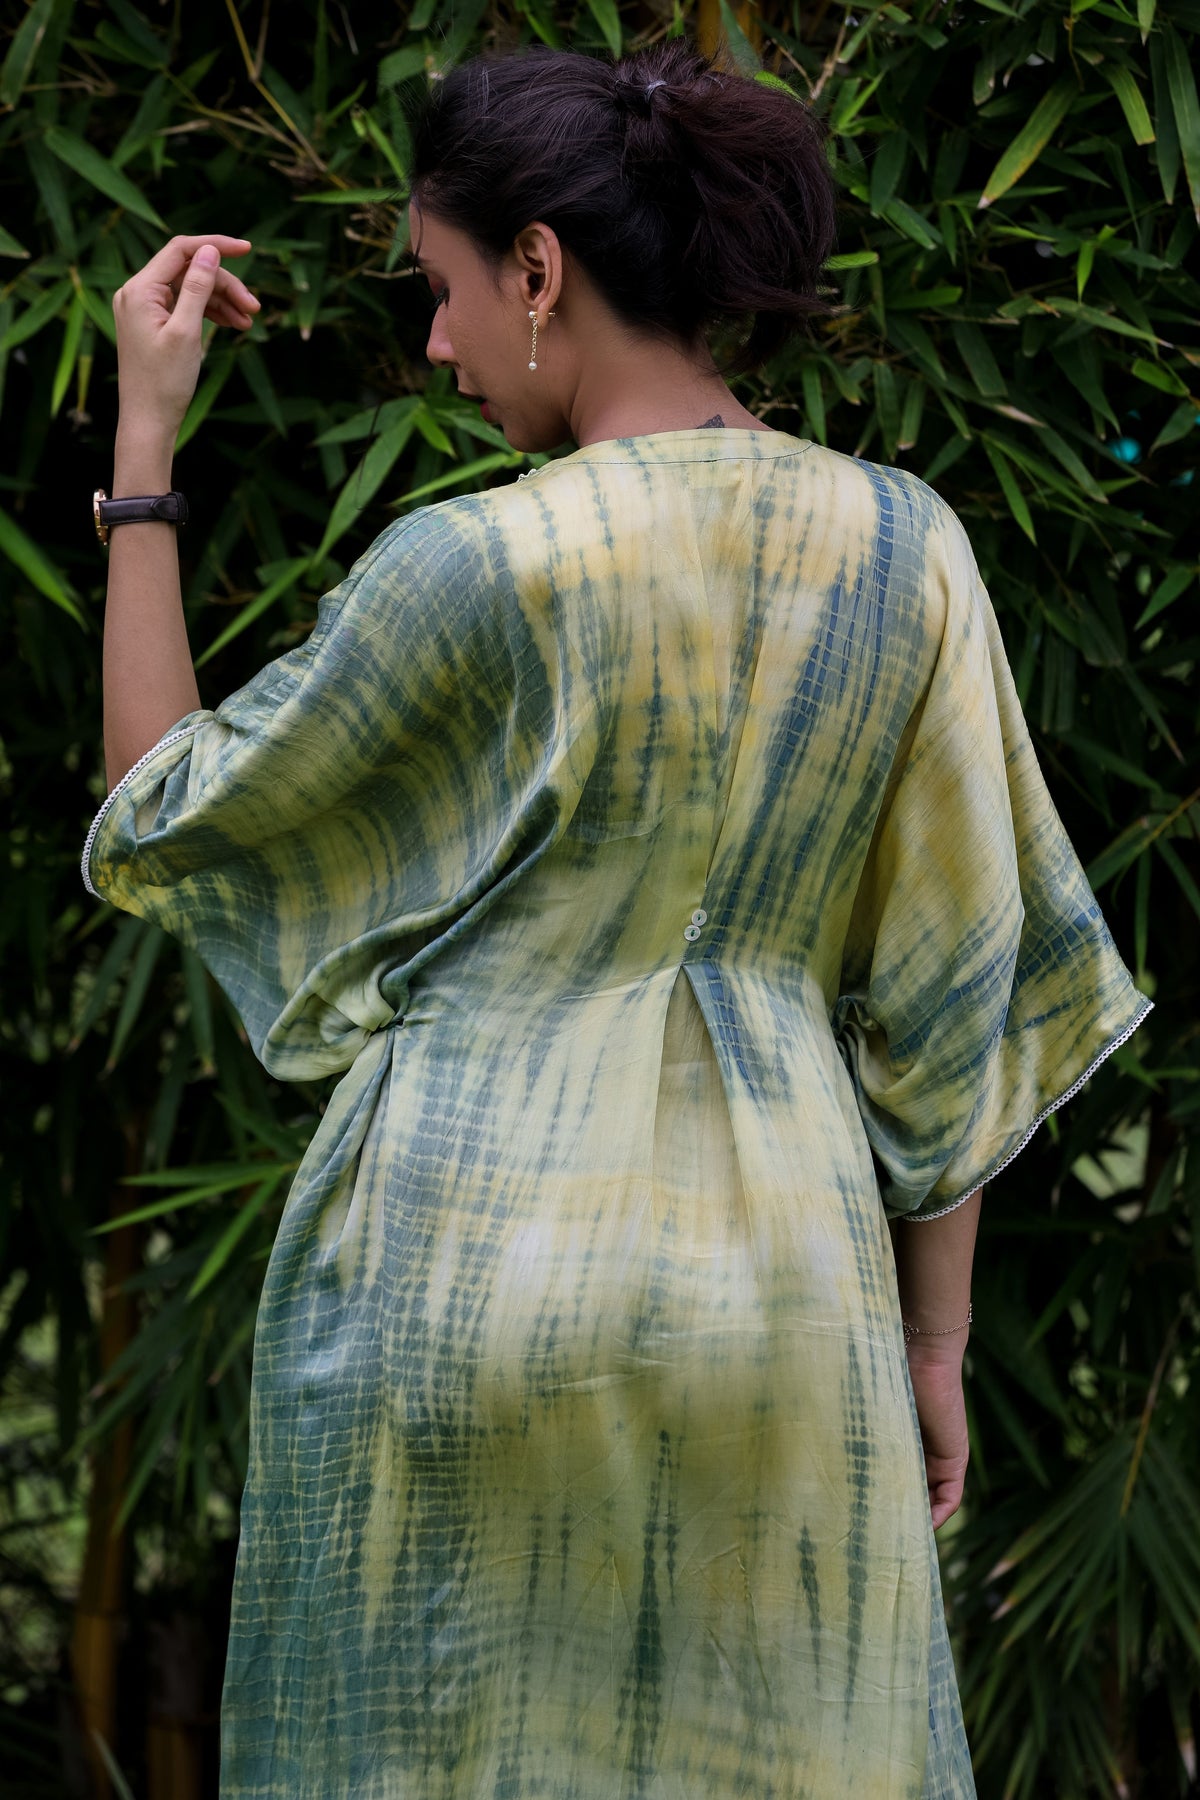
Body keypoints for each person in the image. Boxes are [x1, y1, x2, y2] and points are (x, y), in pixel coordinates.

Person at [84, 41, 1150, 1800]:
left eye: (441, 290)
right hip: (790, 1291)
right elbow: (951, 1000)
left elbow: (163, 809)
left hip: (460, 1273)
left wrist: (144, 446)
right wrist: (933, 1346)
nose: (437, 347)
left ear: (538, 268)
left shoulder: (478, 563)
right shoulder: (909, 548)